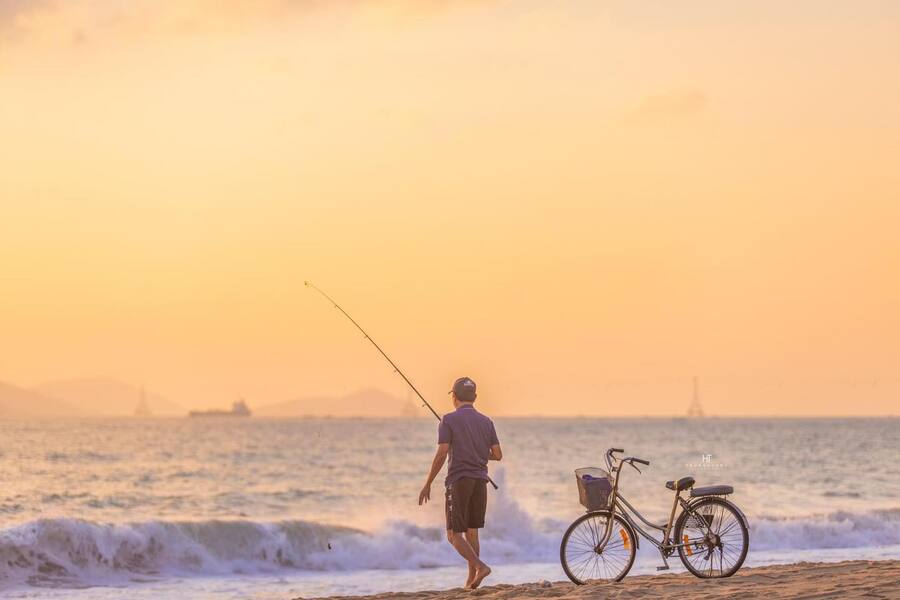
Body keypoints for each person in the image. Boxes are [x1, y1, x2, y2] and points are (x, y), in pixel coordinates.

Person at [418, 376, 502, 590]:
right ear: (474, 397)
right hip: (480, 480)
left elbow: (442, 453)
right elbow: (497, 454)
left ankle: (480, 567)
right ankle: (471, 580)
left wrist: (428, 482)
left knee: (453, 534)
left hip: (459, 480)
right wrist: (478, 454)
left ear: (454, 397)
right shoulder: (486, 421)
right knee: (472, 531)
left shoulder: (448, 420)